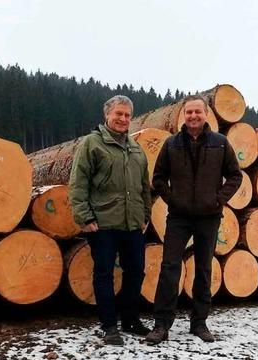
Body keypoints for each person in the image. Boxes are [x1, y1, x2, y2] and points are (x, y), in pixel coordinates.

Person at [146, 94, 242, 344]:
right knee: (169, 267)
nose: (193, 116)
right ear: (183, 115)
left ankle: (199, 323)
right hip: (178, 217)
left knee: (203, 268)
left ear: (206, 114)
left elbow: (235, 176)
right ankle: (161, 324)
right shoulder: (171, 144)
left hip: (209, 217)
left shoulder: (220, 143)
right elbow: (158, 178)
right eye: (189, 112)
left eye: (198, 111)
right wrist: (173, 199)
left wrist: (219, 199)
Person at [69, 95, 151, 346]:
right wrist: (84, 216)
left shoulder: (136, 148)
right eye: (118, 114)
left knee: (135, 271)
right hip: (102, 223)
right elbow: (78, 183)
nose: (123, 119)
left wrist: (146, 213)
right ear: (107, 115)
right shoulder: (92, 144)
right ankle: (108, 326)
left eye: (127, 115)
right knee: (103, 273)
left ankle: (130, 319)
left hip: (132, 224)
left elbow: (143, 186)